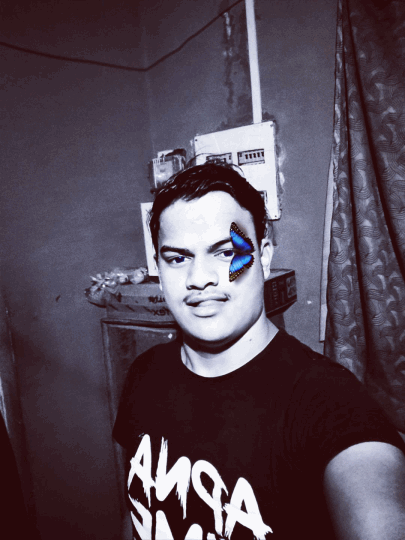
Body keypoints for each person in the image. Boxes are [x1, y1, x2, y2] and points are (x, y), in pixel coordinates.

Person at [113, 162, 405, 540]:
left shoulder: (327, 401)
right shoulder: (144, 373)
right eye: (178, 258)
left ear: (264, 257)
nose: (199, 278)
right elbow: (139, 510)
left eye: (225, 252)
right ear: (159, 268)